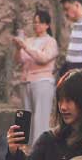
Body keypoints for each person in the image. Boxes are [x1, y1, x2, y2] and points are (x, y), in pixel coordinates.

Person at [13, 9, 59, 145]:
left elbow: (43, 58)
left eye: (39, 23)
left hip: (42, 81)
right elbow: (19, 60)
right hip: (27, 81)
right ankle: (25, 147)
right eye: (34, 22)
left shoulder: (51, 42)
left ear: (47, 25)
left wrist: (25, 47)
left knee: (40, 116)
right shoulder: (30, 40)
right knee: (25, 116)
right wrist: (18, 48)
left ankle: (39, 146)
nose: (36, 25)